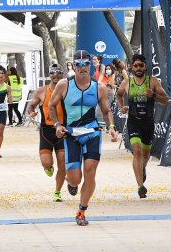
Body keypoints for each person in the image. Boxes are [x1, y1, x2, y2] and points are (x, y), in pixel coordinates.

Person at [48, 50, 118, 226]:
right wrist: (57, 125)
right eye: (77, 64)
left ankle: (82, 210)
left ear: (90, 65)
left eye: (85, 63)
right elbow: (51, 106)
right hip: (71, 134)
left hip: (92, 132)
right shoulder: (64, 85)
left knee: (90, 171)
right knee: (75, 178)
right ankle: (71, 183)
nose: (82, 67)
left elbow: (106, 110)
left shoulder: (99, 87)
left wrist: (111, 127)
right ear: (73, 66)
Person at [116, 54, 169, 199]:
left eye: (141, 65)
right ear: (131, 67)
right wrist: (121, 107)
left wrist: (153, 96)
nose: (138, 68)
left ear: (145, 67)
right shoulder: (127, 82)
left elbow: (166, 100)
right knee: (137, 151)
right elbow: (119, 94)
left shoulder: (152, 82)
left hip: (148, 122)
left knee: (145, 154)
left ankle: (142, 168)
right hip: (133, 121)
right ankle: (140, 186)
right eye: (135, 65)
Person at [27, 64, 66, 202]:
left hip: (62, 131)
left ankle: (57, 191)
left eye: (58, 73)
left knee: (63, 163)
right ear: (49, 75)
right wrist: (31, 112)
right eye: (52, 73)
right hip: (46, 131)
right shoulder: (42, 91)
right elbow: (30, 105)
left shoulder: (67, 90)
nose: (55, 75)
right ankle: (47, 167)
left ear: (62, 74)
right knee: (46, 163)